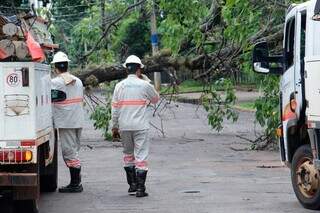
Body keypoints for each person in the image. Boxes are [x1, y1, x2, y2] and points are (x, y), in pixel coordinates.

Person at [111, 55, 159, 197]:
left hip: (124, 126)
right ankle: (140, 189)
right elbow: (155, 99)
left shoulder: (119, 86)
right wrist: (146, 81)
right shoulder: (145, 85)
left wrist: (114, 127)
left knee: (128, 155)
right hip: (140, 126)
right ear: (139, 70)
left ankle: (132, 185)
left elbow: (115, 109)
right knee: (141, 156)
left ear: (127, 69)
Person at [51, 51, 84, 193]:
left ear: (55, 68)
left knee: (69, 153)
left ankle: (76, 184)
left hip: (66, 123)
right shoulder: (79, 81)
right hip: (77, 121)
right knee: (74, 150)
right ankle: (76, 182)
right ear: (67, 66)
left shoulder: (54, 83)